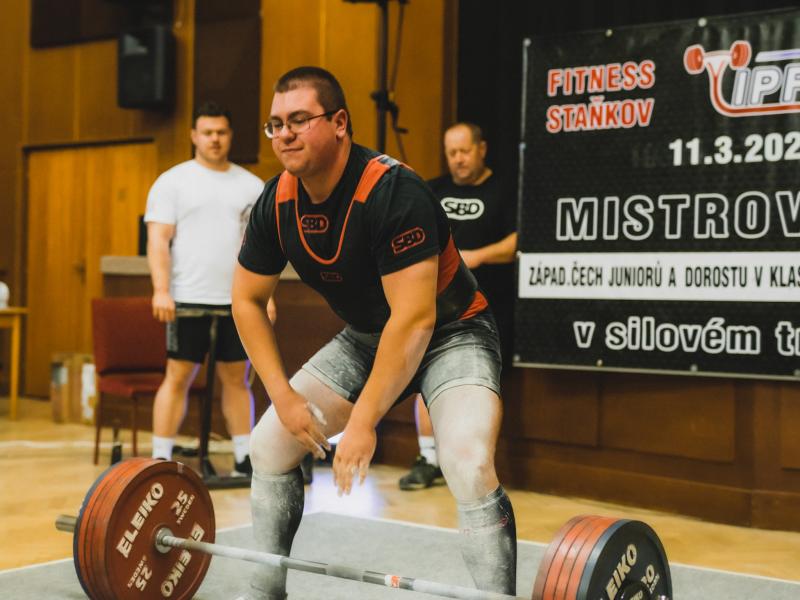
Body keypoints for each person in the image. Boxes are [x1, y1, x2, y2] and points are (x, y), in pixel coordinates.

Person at [233, 66, 517, 599]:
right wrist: (282, 396)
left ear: (340, 123)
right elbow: (246, 300)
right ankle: (265, 591)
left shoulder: (395, 192)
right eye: (275, 124)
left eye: (299, 120)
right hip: (368, 336)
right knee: (269, 445)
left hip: (453, 331)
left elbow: (415, 320)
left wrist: (363, 422)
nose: (284, 134)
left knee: (469, 463)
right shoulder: (277, 203)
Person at [145, 101, 273, 477]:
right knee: (178, 377)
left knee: (237, 379)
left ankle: (243, 457)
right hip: (186, 299)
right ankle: (160, 457)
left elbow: (262, 250)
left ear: (230, 136)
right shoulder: (173, 182)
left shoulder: (251, 186)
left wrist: (266, 298)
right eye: (207, 132)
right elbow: (158, 240)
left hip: (238, 302)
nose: (214, 139)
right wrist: (161, 290)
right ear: (194, 136)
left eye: (221, 132)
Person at [399, 122, 518, 491]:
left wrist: (477, 257)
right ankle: (428, 458)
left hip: (489, 308)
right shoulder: (433, 190)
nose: (458, 159)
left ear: (482, 149)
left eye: (465, 151)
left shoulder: (505, 189)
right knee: (427, 378)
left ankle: (475, 461)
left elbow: (518, 241)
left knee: (482, 384)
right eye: (451, 153)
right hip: (437, 306)